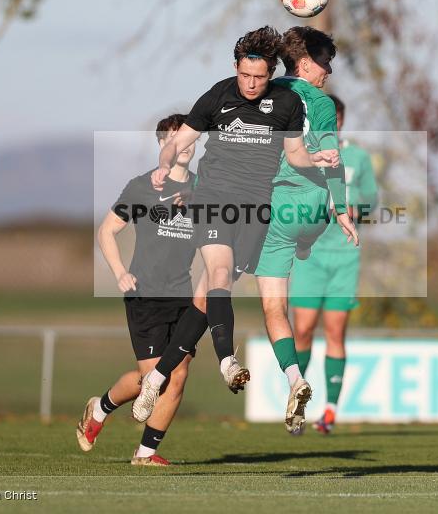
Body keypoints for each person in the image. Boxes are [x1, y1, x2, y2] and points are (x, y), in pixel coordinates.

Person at [131, 26, 340, 423]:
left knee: (205, 299)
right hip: (213, 199)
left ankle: (156, 378)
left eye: (259, 77)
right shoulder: (218, 94)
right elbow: (180, 140)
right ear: (236, 68)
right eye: (245, 75)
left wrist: (319, 161)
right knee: (220, 273)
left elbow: (295, 154)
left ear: (272, 72)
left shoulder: (287, 103)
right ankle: (228, 360)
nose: (251, 84)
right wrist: (163, 165)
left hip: (254, 208)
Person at [77, 114, 206, 466]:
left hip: (183, 296)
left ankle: (146, 453)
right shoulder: (142, 187)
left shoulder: (203, 189)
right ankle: (101, 407)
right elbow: (106, 232)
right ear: (163, 145)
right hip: (145, 294)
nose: (186, 146)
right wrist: (120, 272)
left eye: (191, 139)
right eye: (177, 140)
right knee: (153, 379)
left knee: (178, 373)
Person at [253, 26, 358, 433]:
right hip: (313, 211)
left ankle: (293, 378)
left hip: (275, 212)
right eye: (326, 62)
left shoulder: (265, 93)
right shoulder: (322, 103)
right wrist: (343, 210)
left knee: (272, 307)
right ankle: (299, 386)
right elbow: (332, 159)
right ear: (306, 62)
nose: (328, 71)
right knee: (303, 244)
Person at [290, 95, 379, 434]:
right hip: (309, 256)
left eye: (334, 119)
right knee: (302, 330)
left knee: (335, 331)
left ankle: (330, 410)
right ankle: (296, 402)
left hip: (344, 257)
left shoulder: (357, 157)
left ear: (341, 121)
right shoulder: (300, 156)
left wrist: (359, 211)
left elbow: (372, 201)